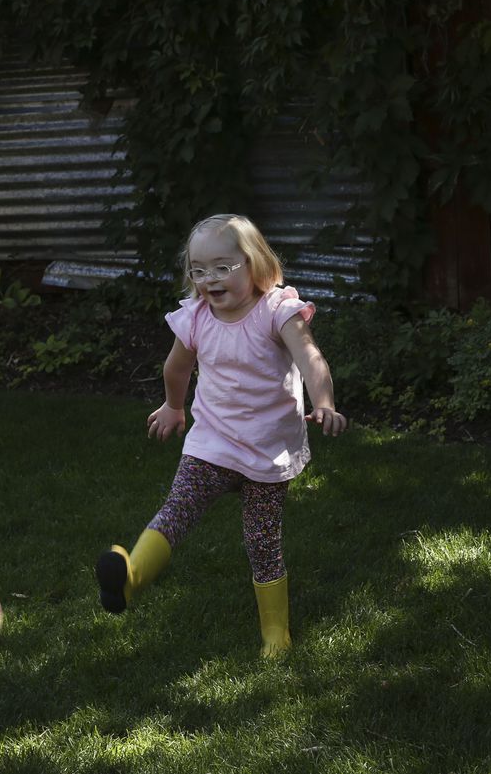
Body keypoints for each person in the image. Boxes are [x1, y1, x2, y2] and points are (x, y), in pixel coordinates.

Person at [94, 213, 347, 658]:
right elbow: (176, 367)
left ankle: (275, 634)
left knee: (262, 541)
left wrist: (323, 402)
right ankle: (130, 578)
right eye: (198, 269)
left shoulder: (277, 312)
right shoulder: (196, 318)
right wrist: (174, 405)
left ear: (255, 265)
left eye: (222, 267)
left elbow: (311, 360)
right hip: (211, 444)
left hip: (268, 453)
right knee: (179, 508)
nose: (208, 278)